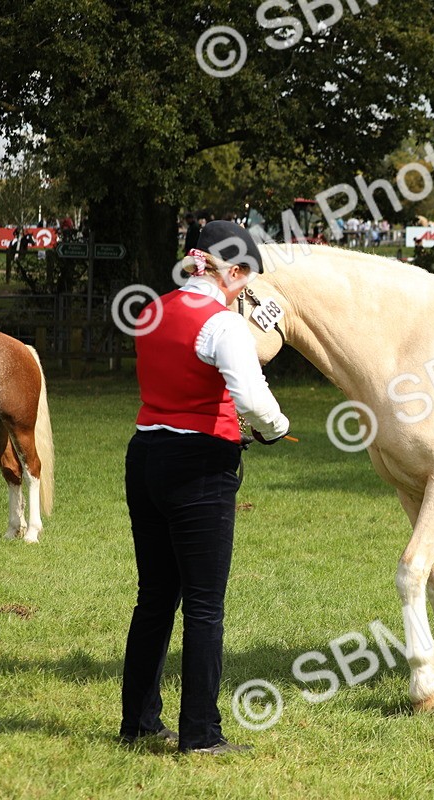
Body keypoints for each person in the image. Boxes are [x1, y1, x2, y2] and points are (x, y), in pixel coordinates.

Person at [120, 221, 289, 755]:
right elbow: (253, 400)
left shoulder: (150, 309)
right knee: (204, 606)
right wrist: (277, 429)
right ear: (232, 272)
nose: (244, 290)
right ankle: (200, 734)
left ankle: (139, 721)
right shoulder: (224, 326)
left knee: (154, 599)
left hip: (144, 453)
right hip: (198, 465)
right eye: (245, 279)